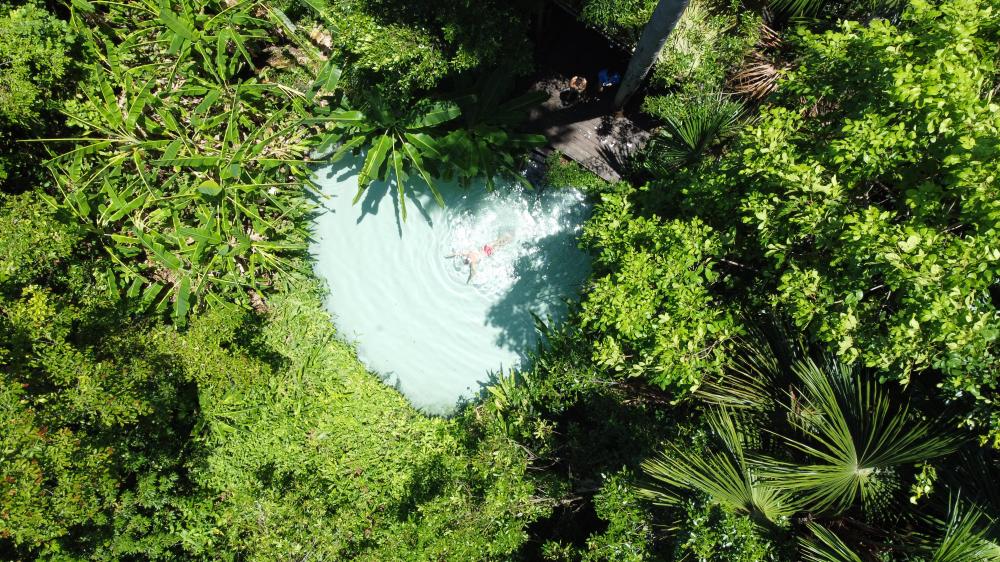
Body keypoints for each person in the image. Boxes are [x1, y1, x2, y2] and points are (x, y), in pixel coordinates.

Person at [447, 234, 512, 284]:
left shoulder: (473, 263)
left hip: (488, 253)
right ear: (466, 258)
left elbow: (473, 273)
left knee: (499, 246)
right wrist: (448, 256)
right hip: (485, 247)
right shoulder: (468, 253)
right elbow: (457, 253)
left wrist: (469, 280)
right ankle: (508, 237)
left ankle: (509, 239)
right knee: (497, 241)